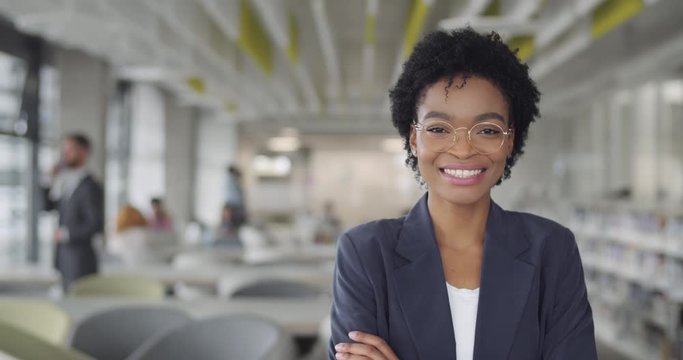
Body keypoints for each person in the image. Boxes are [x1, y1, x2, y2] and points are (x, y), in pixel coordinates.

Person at [330, 28, 597, 359]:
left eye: (487, 130)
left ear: (510, 141)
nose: (462, 149)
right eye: (439, 129)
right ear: (414, 138)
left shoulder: (552, 250)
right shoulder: (366, 254)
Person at [44, 133, 104, 291]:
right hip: (64, 258)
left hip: (80, 260)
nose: (65, 154)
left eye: (70, 150)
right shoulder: (65, 181)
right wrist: (48, 181)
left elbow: (95, 224)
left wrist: (66, 234)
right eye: (64, 150)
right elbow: (47, 208)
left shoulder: (90, 186)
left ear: (83, 152)